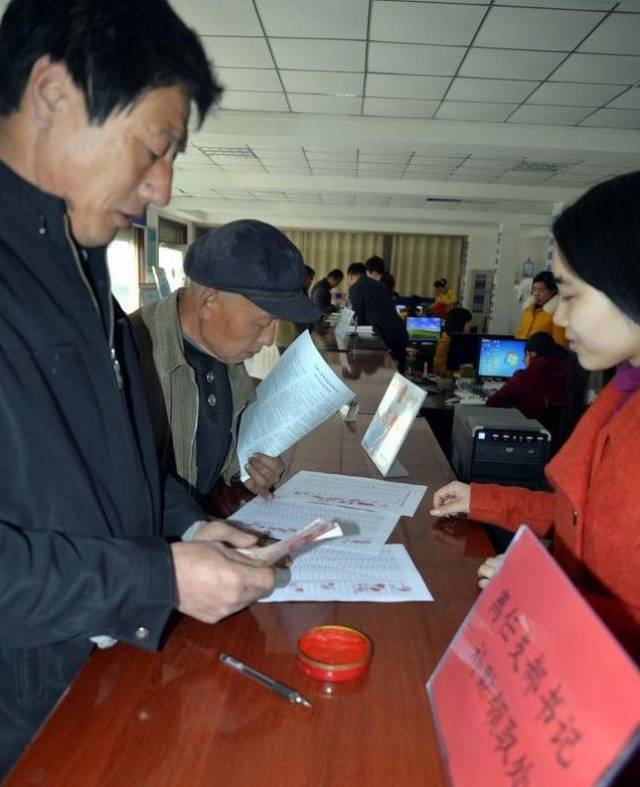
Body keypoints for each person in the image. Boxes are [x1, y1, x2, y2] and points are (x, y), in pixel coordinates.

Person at [0, 0, 275, 773]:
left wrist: (190, 526)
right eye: (155, 147)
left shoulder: (83, 273)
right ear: (52, 96)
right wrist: (155, 576)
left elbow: (108, 473)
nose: (161, 186)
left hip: (91, 685)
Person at [431, 171, 640, 662]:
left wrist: (545, 594)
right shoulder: (622, 392)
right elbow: (582, 517)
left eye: (569, 296)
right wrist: (482, 498)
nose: (560, 320)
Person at [133, 222, 320, 517]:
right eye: (261, 322)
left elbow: (218, 466)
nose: (270, 339)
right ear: (208, 302)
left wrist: (251, 473)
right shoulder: (130, 357)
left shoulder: (224, 354)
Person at [485, 331, 569, 426]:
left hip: (531, 432)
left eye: (525, 355)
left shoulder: (523, 376)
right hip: (566, 436)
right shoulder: (571, 374)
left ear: (532, 354)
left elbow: (492, 404)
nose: (524, 361)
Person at [348, 261, 409, 373]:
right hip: (399, 332)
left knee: (382, 375)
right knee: (398, 375)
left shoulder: (355, 288)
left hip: (385, 337)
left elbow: (358, 318)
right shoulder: (380, 285)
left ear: (351, 276)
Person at [516, 270, 567, 346]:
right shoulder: (528, 309)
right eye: (534, 289)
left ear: (553, 291)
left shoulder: (557, 314)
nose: (536, 294)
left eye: (542, 290)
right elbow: (519, 333)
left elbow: (560, 345)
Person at [275, 263, 315, 353]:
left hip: (289, 339)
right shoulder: (295, 293)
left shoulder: (296, 291)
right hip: (289, 339)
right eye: (310, 279)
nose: (311, 282)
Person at [432, 307, 472, 377]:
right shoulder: (445, 341)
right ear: (459, 324)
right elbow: (438, 368)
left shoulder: (462, 339)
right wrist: (456, 374)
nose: (470, 327)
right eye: (467, 324)